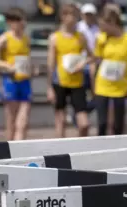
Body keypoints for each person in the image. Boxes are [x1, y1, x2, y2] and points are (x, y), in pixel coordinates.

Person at [93, 6, 127, 135]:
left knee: (117, 125)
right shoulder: (101, 39)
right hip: (102, 85)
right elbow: (96, 61)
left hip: (121, 87)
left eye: (103, 25)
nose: (101, 28)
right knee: (102, 123)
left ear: (112, 22)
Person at [47, 4, 92, 138]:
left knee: (84, 124)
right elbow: (51, 63)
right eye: (67, 15)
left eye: (73, 15)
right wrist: (49, 87)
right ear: (62, 17)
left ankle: (80, 149)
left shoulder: (81, 37)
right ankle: (60, 153)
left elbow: (92, 56)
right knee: (60, 122)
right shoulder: (55, 38)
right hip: (60, 81)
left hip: (77, 82)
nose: (70, 18)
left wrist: (82, 64)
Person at [0, 8, 32, 140]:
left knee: (22, 123)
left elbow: (27, 58)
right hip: (10, 81)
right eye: (18, 20)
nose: (22, 23)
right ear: (10, 22)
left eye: (23, 20)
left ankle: (20, 153)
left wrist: (31, 68)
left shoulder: (25, 38)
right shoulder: (4, 39)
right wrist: (8, 66)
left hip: (25, 81)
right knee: (11, 123)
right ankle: (9, 155)